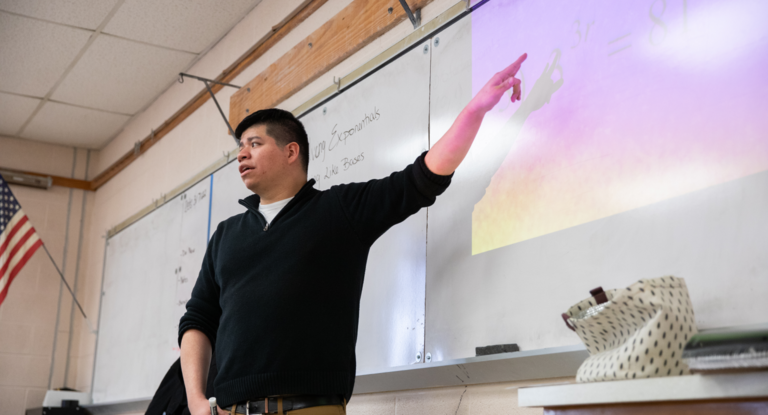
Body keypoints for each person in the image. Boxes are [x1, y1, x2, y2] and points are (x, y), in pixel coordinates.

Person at [179, 54, 528, 415]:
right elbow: (198, 319)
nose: (241, 155)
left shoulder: (337, 210)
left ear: (290, 151)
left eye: (254, 144)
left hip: (310, 407)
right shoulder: (226, 234)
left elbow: (421, 178)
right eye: (240, 147)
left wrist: (476, 110)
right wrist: (195, 400)